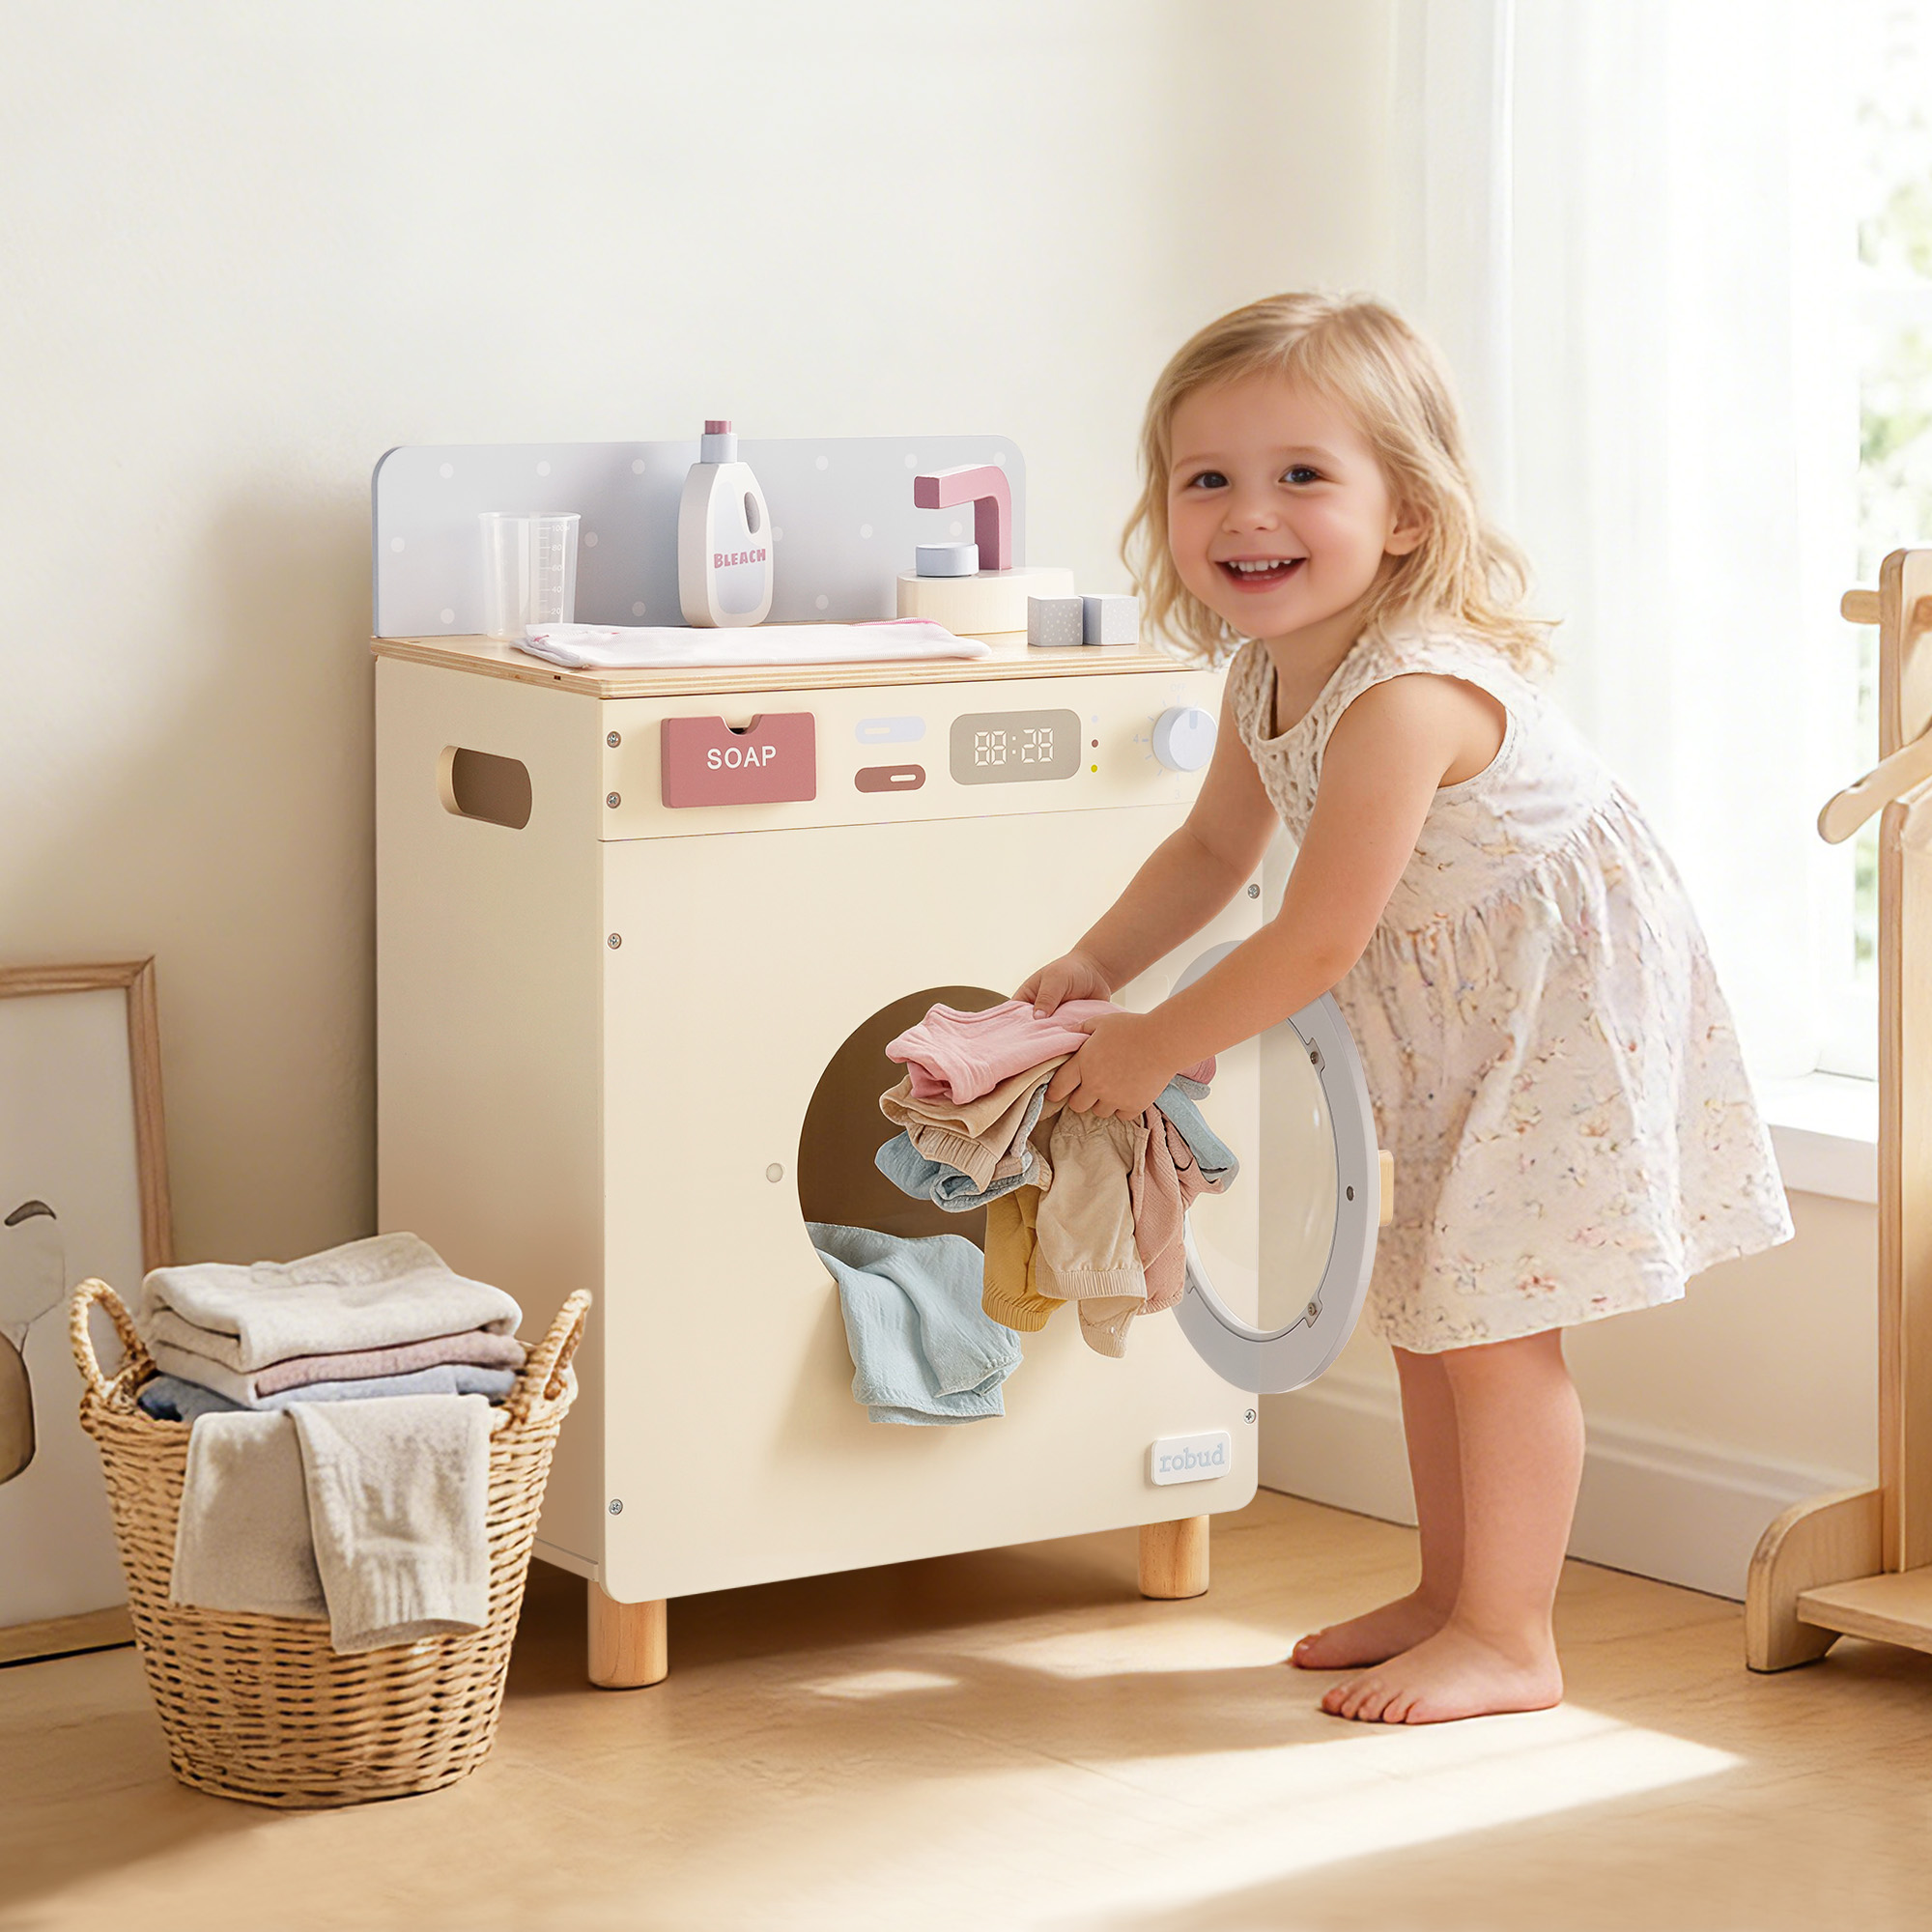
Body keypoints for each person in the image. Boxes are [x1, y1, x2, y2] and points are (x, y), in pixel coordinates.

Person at [1017, 293, 1792, 1724]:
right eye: (1210, 481)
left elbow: (1311, 942)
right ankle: (1453, 1596)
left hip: (1549, 1017)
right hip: (1447, 1012)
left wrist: (1150, 1053)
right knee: (1433, 1306)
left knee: (1494, 1326)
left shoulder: (1405, 695)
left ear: (1409, 514)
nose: (1251, 514)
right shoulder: (1264, 672)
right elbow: (1210, 855)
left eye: (1304, 475)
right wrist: (1096, 966)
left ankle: (1512, 1636)